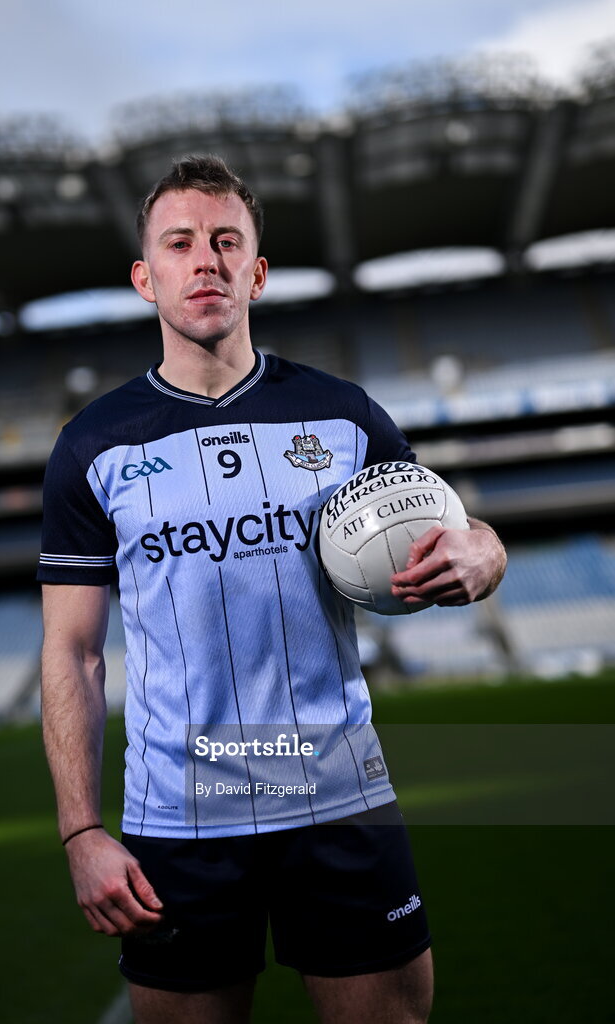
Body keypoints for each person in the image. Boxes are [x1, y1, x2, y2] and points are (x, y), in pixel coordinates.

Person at [38, 155, 506, 1024]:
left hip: (341, 798)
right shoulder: (92, 446)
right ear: (146, 277)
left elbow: (457, 530)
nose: (203, 260)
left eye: (225, 241)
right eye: (179, 244)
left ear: (256, 271)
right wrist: (81, 830)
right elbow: (72, 651)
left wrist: (484, 553)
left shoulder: (342, 414)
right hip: (178, 820)